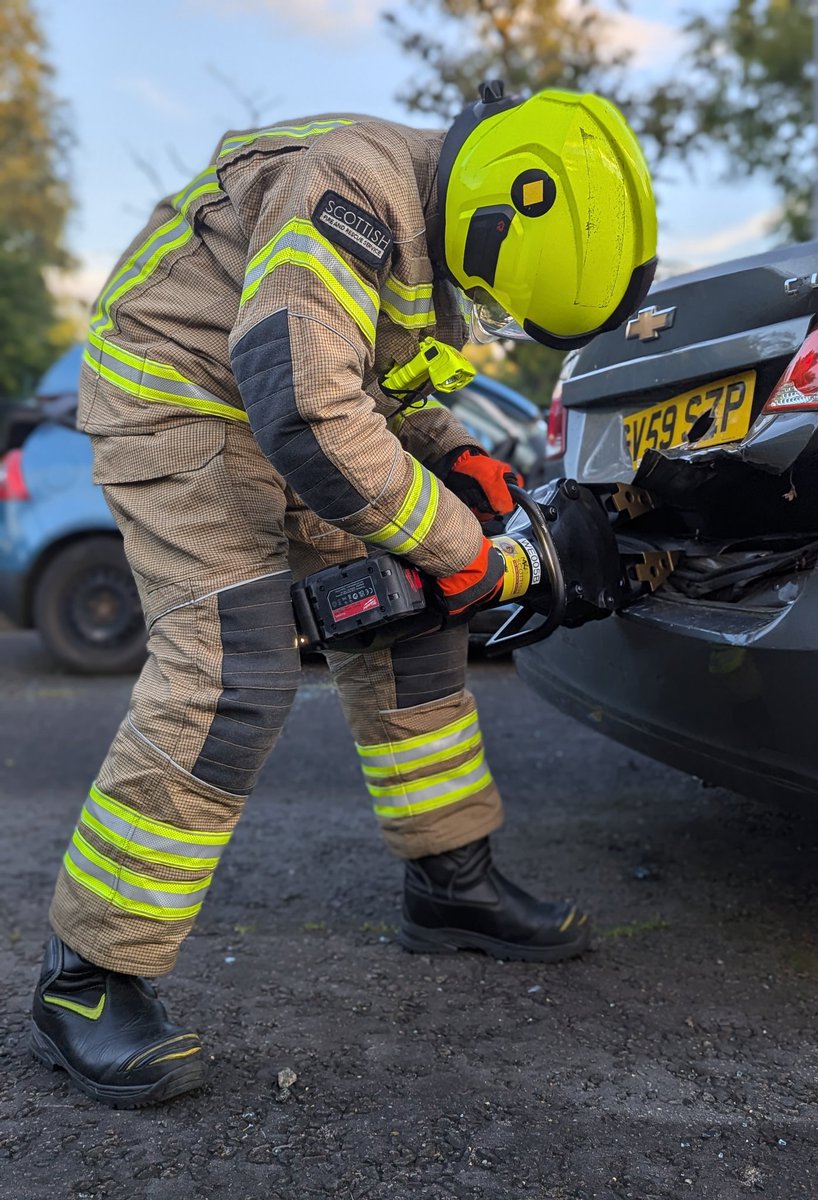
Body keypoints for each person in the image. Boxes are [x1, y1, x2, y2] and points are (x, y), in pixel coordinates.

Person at [29, 82, 657, 1107]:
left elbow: (372, 382)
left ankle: (449, 887)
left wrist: (462, 461)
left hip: (283, 408)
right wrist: (471, 551)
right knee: (231, 668)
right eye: (495, 304)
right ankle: (89, 979)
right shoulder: (349, 186)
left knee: (407, 631)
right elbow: (305, 394)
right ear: (498, 210)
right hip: (177, 397)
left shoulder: (434, 226)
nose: (486, 317)